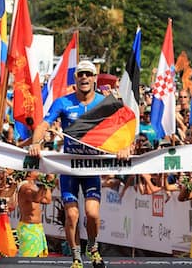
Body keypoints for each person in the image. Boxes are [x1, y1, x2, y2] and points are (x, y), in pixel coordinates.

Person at [28, 60, 127, 268]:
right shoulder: (63, 103)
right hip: (70, 168)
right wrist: (36, 143)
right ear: (76, 78)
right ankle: (75, 256)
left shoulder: (105, 103)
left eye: (88, 75)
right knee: (72, 215)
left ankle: (93, 248)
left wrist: (125, 147)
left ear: (94, 79)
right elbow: (44, 124)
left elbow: (123, 129)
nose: (84, 78)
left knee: (92, 213)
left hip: (92, 168)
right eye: (80, 74)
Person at [16, 171, 55, 257]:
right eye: (37, 170)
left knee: (38, 260)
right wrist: (45, 181)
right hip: (28, 228)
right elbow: (36, 198)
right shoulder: (25, 187)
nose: (40, 172)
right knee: (28, 261)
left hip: (37, 228)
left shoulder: (34, 187)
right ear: (29, 173)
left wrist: (49, 183)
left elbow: (47, 200)